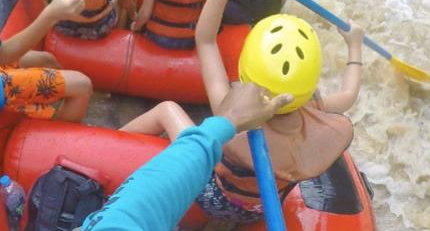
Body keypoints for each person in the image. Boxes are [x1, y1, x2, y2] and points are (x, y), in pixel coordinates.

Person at [192, 0, 363, 224]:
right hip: (259, 210)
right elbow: (349, 94)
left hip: (213, 197)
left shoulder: (227, 107)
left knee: (169, 111)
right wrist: (354, 45)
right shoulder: (313, 107)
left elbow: (206, 40)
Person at [81, 82, 293, 231]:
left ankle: (109, 146)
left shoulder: (223, 96)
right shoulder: (313, 141)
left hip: (210, 192)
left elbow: (206, 41)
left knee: (167, 109)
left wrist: (229, 119)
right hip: (253, 210)